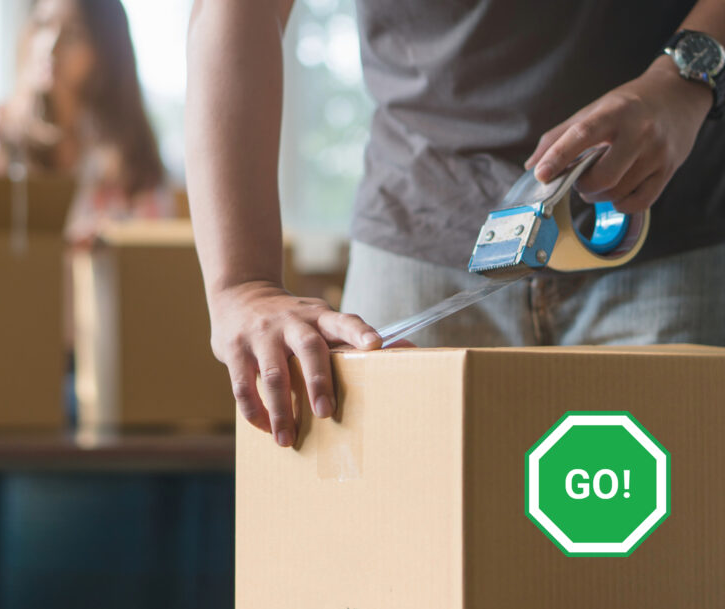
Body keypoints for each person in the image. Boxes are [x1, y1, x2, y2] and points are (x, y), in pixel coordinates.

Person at [185, 0, 725, 448]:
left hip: (675, 235)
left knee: (659, 567)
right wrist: (242, 283)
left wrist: (687, 76)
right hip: (419, 237)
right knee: (395, 559)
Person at [0, 0, 172, 242]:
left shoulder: (133, 172)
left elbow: (151, 268)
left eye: (73, 34)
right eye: (43, 25)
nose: (51, 46)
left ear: (105, 53)